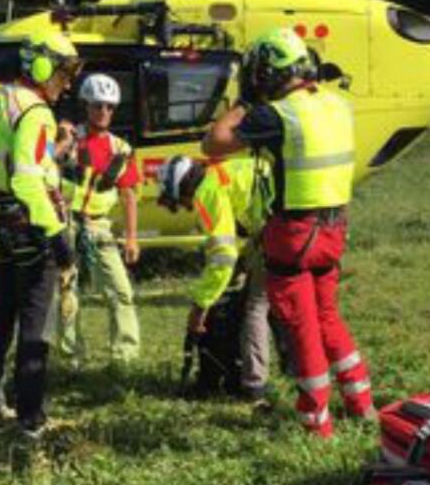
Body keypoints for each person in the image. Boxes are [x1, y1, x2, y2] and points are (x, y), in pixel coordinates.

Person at [202, 27, 374, 437]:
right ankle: (361, 400)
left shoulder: (277, 115)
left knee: (302, 326)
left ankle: (316, 421)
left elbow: (214, 143)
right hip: (334, 230)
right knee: (328, 314)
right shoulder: (337, 104)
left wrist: (244, 102)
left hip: (295, 235)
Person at [0, 30, 82, 440]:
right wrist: (57, 236)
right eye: (63, 75)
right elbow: (29, 178)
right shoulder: (35, 112)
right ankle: (31, 418)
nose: (65, 85)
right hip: (27, 221)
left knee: (0, 315)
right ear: (42, 66)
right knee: (36, 319)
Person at [157, 154, 274, 401]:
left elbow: (223, 256)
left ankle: (254, 387)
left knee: (255, 308)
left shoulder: (207, 191)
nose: (188, 206)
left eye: (182, 201)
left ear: (183, 187)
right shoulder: (221, 173)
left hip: (280, 230)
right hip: (291, 222)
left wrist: (200, 304)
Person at [51, 73, 142, 366]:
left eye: (109, 107)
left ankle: (124, 357)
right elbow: (44, 163)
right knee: (67, 294)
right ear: (86, 106)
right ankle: (71, 358)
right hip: (67, 224)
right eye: (97, 105)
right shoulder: (70, 139)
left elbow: (129, 195)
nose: (104, 112)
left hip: (100, 227)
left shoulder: (121, 150)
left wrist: (131, 238)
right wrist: (63, 141)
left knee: (121, 292)